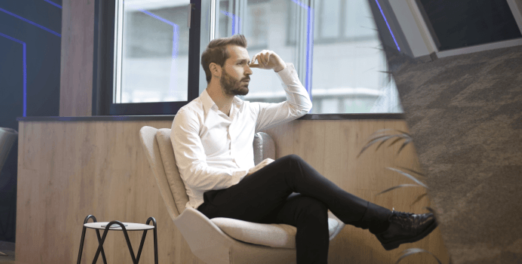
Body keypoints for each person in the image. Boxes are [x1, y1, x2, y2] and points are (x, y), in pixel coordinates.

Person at [170, 34, 437, 264]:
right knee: (290, 166)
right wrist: (247, 175)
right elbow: (193, 175)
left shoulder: (248, 112)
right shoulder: (190, 115)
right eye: (240, 64)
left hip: (247, 200)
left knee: (311, 207)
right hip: (213, 206)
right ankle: (383, 221)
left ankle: (384, 224)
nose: (249, 70)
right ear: (215, 69)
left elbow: (300, 106)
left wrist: (281, 68)